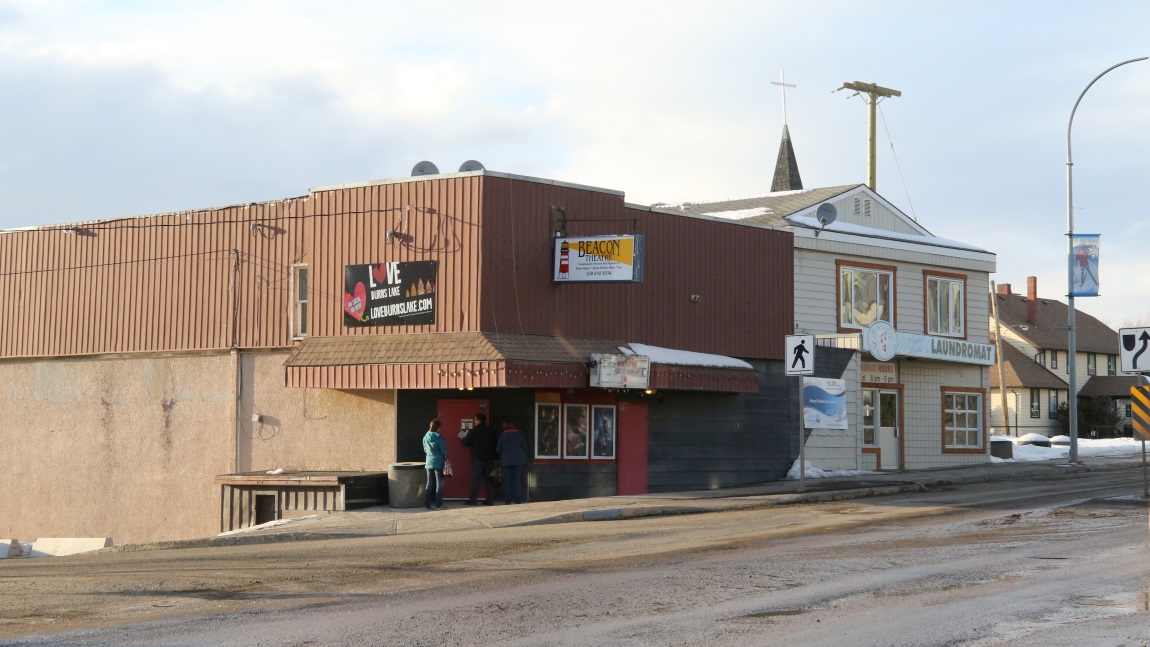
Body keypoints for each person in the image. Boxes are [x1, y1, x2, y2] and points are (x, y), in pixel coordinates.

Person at [461, 412, 498, 506]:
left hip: (477, 459)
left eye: (475, 419)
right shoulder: (491, 431)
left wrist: (462, 437)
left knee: (476, 479)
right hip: (489, 458)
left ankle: (473, 499)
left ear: (478, 420)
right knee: (488, 479)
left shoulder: (473, 431)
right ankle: (490, 499)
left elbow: (466, 443)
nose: (474, 421)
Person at [496, 419, 528, 504]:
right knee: (517, 480)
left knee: (507, 481)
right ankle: (518, 500)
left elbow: (498, 450)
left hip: (506, 460)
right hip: (518, 460)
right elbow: (524, 446)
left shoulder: (503, 435)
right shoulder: (519, 434)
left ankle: (507, 500)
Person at [422, 418, 448, 510]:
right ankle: (439, 505)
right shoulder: (439, 438)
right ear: (438, 427)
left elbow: (425, 450)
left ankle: (426, 505)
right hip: (438, 463)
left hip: (428, 463)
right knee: (439, 485)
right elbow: (444, 451)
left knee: (429, 484)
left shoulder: (425, 437)